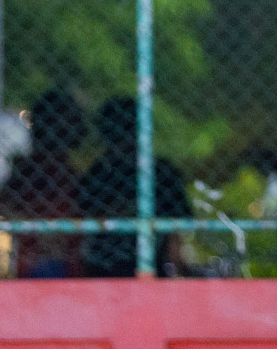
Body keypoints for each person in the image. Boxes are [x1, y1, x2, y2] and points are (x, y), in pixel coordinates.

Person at [76, 96, 192, 277]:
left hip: (150, 267)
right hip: (103, 267)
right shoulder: (98, 173)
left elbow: (174, 232)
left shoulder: (161, 172)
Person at [0, 89, 88, 278]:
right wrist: (37, 229)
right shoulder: (30, 169)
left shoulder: (67, 170)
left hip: (68, 261)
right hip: (39, 261)